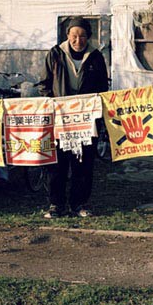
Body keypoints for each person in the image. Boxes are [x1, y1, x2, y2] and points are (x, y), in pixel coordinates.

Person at [37, 16, 109, 218]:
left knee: (83, 163)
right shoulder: (55, 54)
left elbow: (103, 87)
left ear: (89, 37)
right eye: (74, 35)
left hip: (86, 121)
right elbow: (44, 83)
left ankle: (79, 204)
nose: (78, 40)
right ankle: (56, 205)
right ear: (68, 35)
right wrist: (53, 102)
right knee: (57, 163)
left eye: (83, 36)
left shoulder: (95, 57)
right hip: (60, 120)